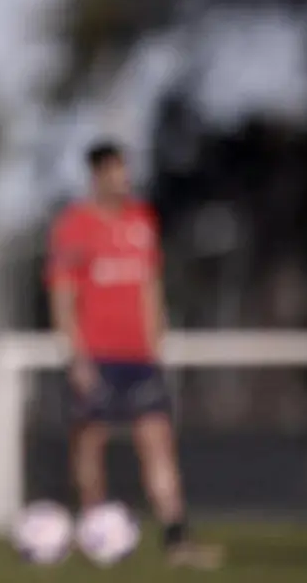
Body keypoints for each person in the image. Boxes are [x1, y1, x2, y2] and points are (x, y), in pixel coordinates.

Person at [46, 141, 222, 568]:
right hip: (97, 355)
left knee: (158, 442)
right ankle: (93, 534)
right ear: (98, 175)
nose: (125, 179)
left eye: (127, 171)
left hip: (140, 357)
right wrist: (77, 355)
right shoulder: (74, 226)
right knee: (90, 444)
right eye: (116, 171)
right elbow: (63, 294)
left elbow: (150, 284)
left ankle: (177, 539)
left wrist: (156, 338)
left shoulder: (142, 221)